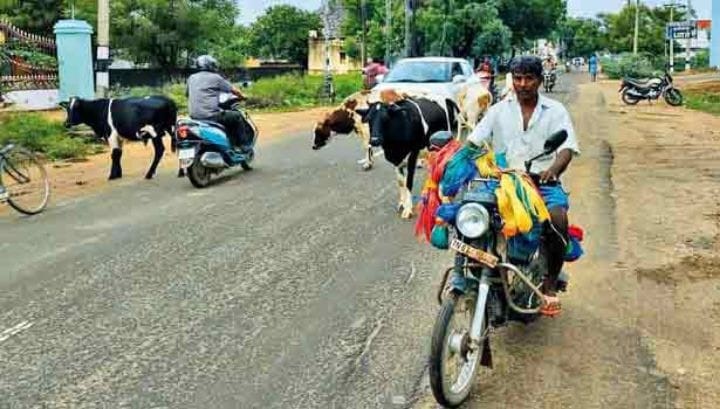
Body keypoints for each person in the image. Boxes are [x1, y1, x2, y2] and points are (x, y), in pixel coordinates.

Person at [466, 56, 581, 316]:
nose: (523, 84)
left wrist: (553, 170)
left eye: (529, 78)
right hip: (502, 182)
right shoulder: (497, 110)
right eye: (518, 78)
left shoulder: (555, 110)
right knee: (471, 213)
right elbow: (474, 142)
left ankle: (549, 287)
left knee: (557, 218)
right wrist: (455, 159)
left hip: (541, 182)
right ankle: (475, 275)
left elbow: (567, 149)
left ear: (540, 80)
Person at [186, 55, 250, 151]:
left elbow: (187, 94)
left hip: (194, 116)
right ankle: (243, 144)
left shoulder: (191, 78)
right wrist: (243, 97)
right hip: (210, 116)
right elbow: (234, 90)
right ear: (211, 65)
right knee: (236, 116)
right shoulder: (216, 78)